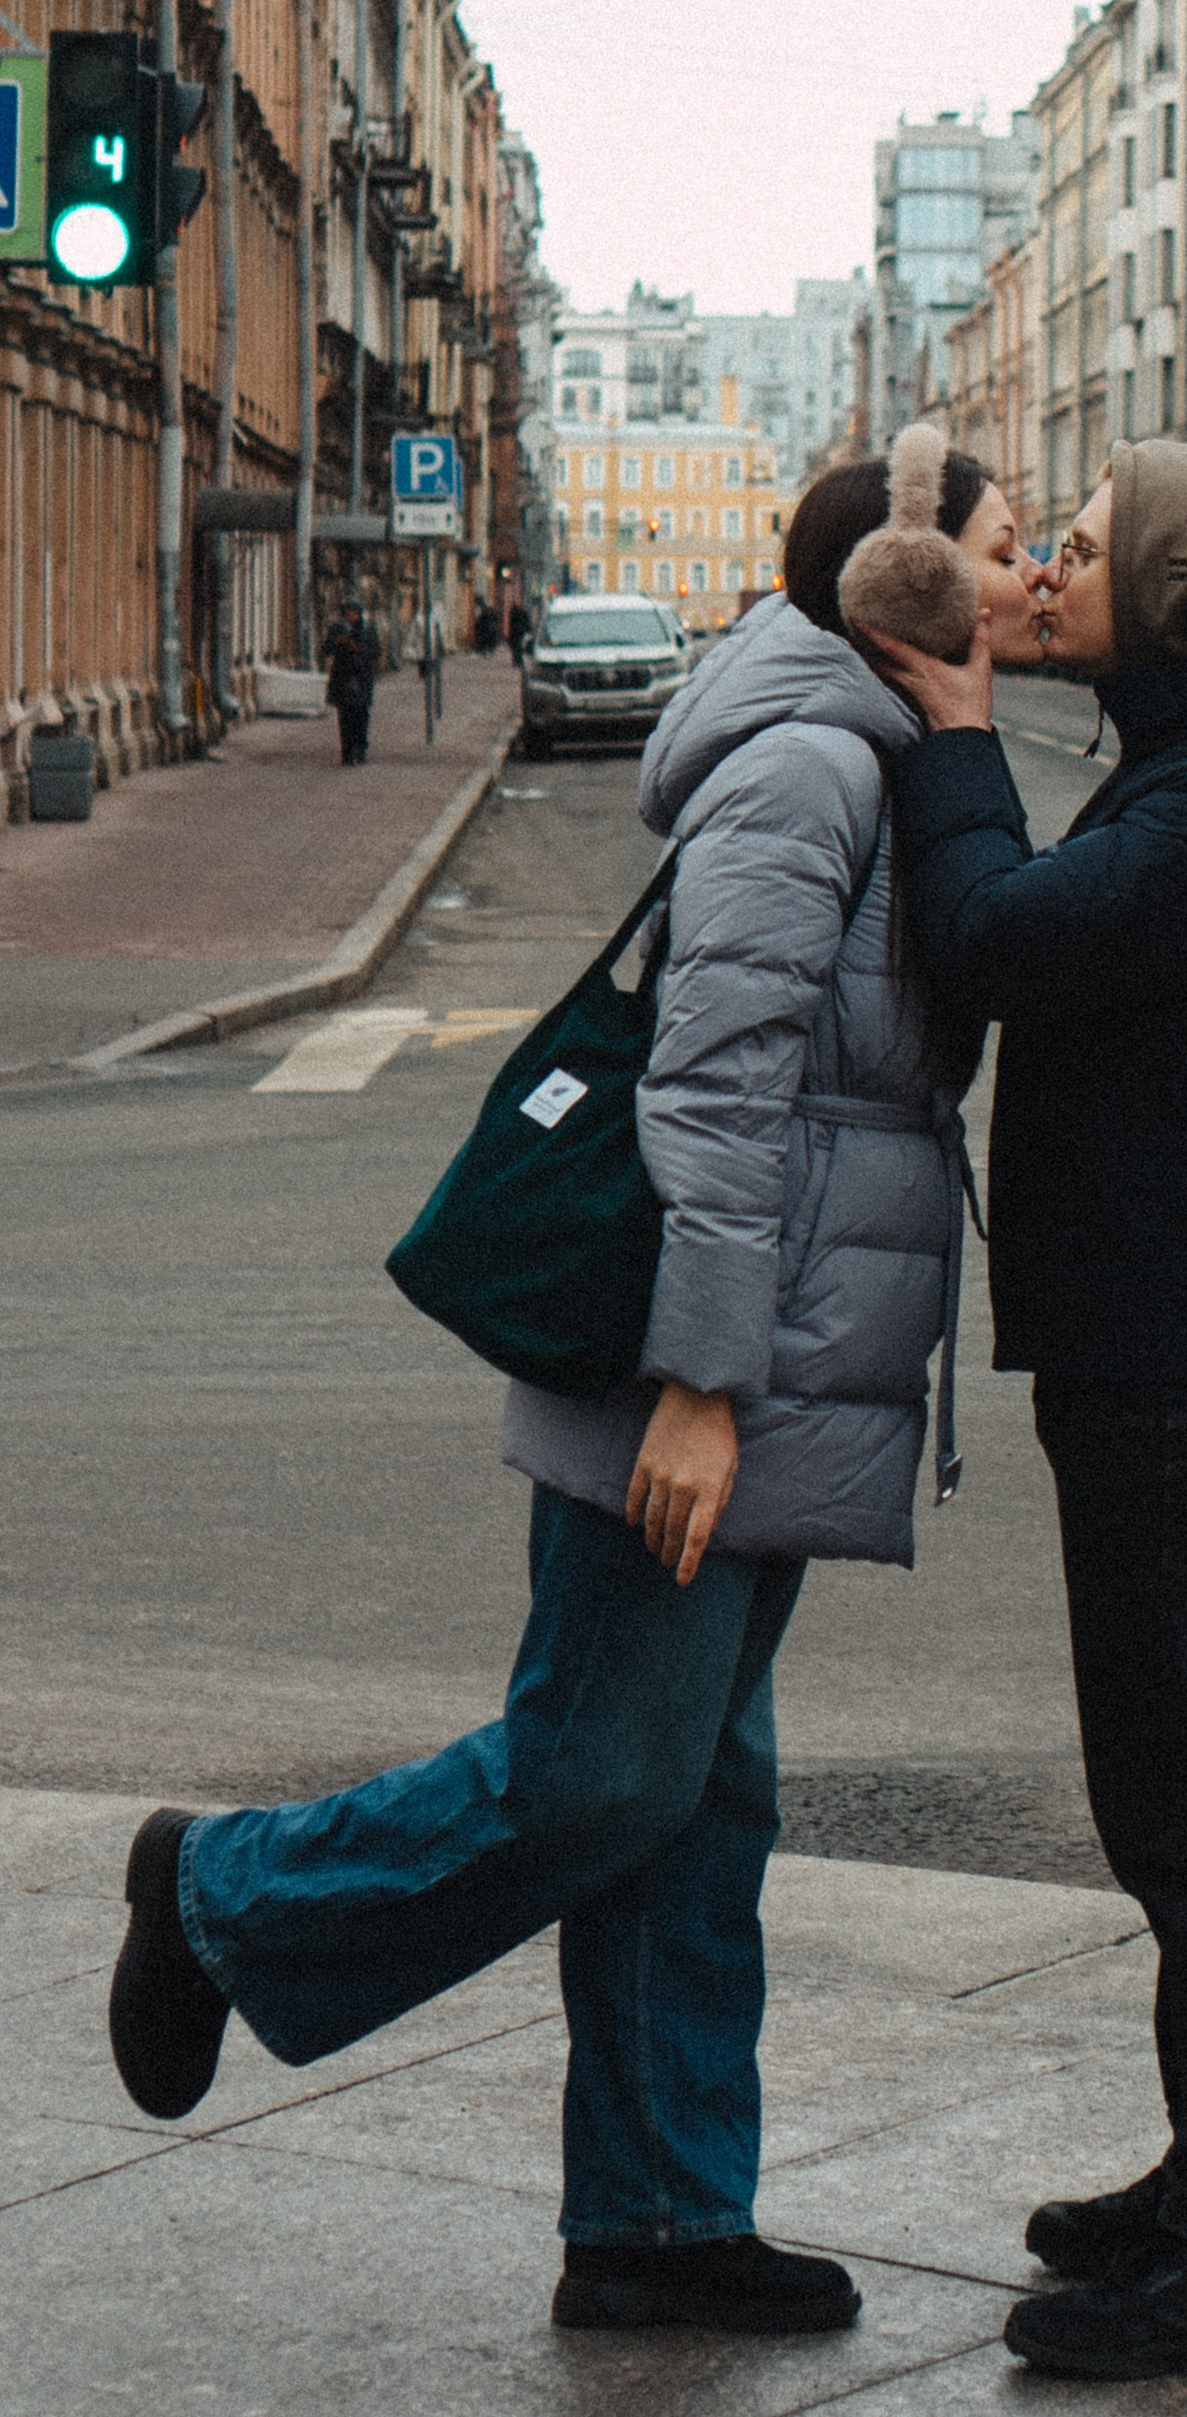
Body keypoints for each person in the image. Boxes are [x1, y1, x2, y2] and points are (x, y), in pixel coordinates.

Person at [108, 437, 1040, 2342]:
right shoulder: (805, 767)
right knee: (601, 1771)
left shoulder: (879, 753)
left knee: (693, 1803)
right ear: (911, 589)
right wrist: (698, 1383)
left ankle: (660, 2219)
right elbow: (713, 1089)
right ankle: (224, 1894)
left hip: (774, 1364)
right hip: (697, 1370)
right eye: (1011, 551)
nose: (1034, 580)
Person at [861, 439, 1187, 2383]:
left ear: (1171, 597)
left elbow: (999, 938)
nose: (1039, 574)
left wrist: (955, 729)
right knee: (1173, 1800)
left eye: (1075, 552)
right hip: (1165, 1337)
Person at [320, 596, 379, 766]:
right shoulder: (337, 628)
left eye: (354, 613)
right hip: (343, 677)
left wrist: (359, 648)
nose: (351, 616)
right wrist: (337, 642)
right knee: (344, 717)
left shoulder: (367, 628)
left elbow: (376, 652)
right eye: (347, 613)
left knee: (361, 715)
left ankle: (360, 749)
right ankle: (347, 752)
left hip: (362, 678)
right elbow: (326, 649)